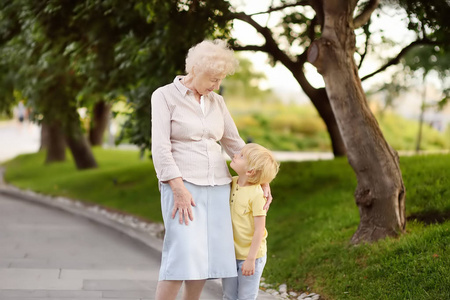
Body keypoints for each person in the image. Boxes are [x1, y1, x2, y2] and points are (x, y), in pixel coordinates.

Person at [151, 39, 273, 300]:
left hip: (218, 187)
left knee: (204, 259)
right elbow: (160, 149)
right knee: (181, 255)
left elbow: (233, 142)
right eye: (213, 79)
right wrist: (178, 189)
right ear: (194, 69)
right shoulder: (163, 96)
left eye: (220, 80)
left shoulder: (216, 101)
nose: (217, 85)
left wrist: (261, 179)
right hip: (183, 186)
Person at [222, 143, 279, 300]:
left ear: (250, 171)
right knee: (228, 295)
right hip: (231, 254)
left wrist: (250, 260)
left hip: (251, 256)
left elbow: (259, 230)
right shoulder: (231, 183)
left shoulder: (256, 195)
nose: (235, 155)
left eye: (241, 156)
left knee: (246, 297)